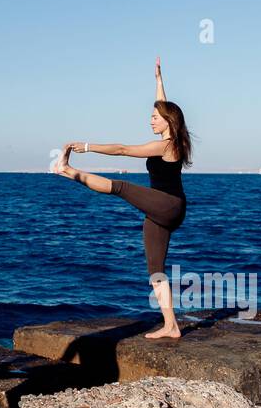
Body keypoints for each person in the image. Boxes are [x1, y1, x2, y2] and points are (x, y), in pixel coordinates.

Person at [54, 57, 193, 339]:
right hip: (163, 210)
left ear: (168, 122)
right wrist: (158, 82)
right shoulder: (174, 138)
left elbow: (122, 150)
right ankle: (171, 325)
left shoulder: (164, 146)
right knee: (156, 269)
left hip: (167, 203)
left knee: (120, 187)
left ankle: (67, 170)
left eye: (155, 118)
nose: (150, 120)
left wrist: (88, 146)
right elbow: (164, 108)